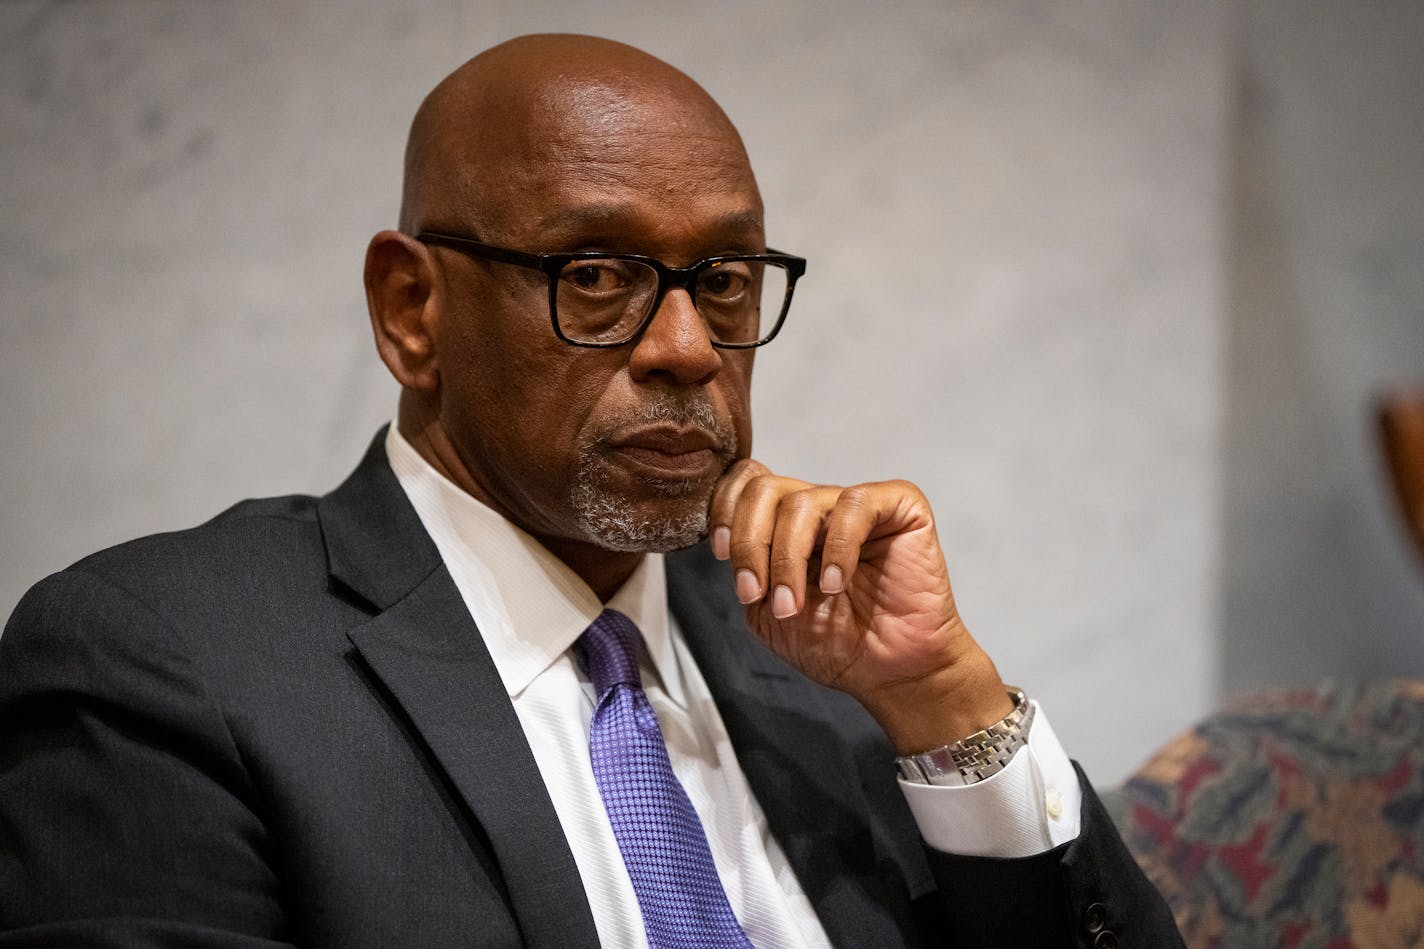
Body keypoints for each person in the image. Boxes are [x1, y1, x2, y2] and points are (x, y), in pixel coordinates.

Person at [0, 34, 1181, 948]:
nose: (684, 348)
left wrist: (942, 702)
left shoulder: (825, 662)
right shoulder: (169, 664)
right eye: (596, 274)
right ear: (414, 311)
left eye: (720, 279)